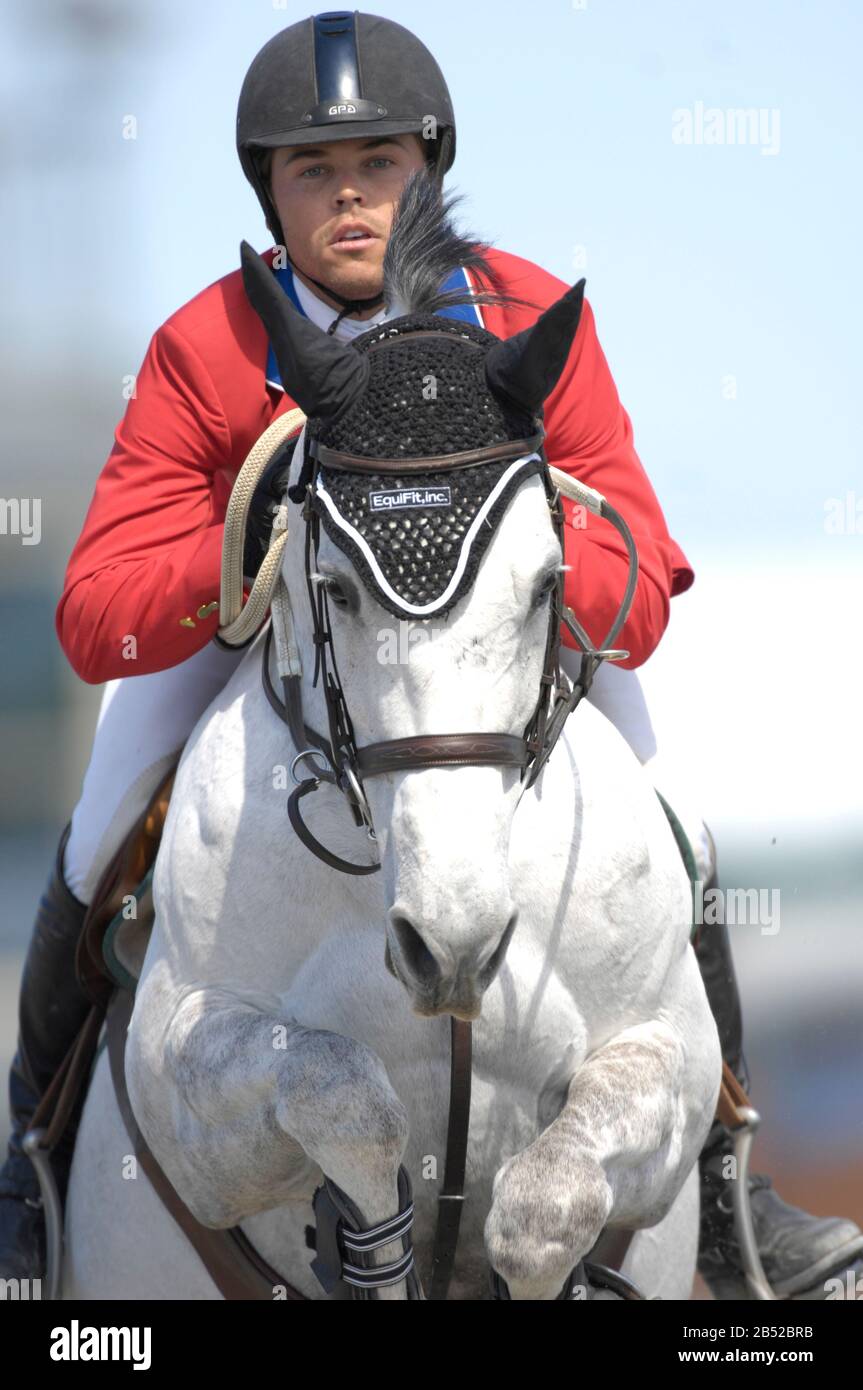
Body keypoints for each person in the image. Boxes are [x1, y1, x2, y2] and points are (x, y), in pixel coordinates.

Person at [1, 12, 860, 1301]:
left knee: (677, 821)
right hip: (271, 634)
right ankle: (31, 1167)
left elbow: (647, 574)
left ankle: (736, 1184)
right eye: (312, 171)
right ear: (269, 192)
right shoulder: (205, 346)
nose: (350, 196)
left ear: (430, 170)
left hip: (492, 647)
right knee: (96, 819)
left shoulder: (526, 317)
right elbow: (93, 613)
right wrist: (250, 554)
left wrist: (535, 547)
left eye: (381, 165)